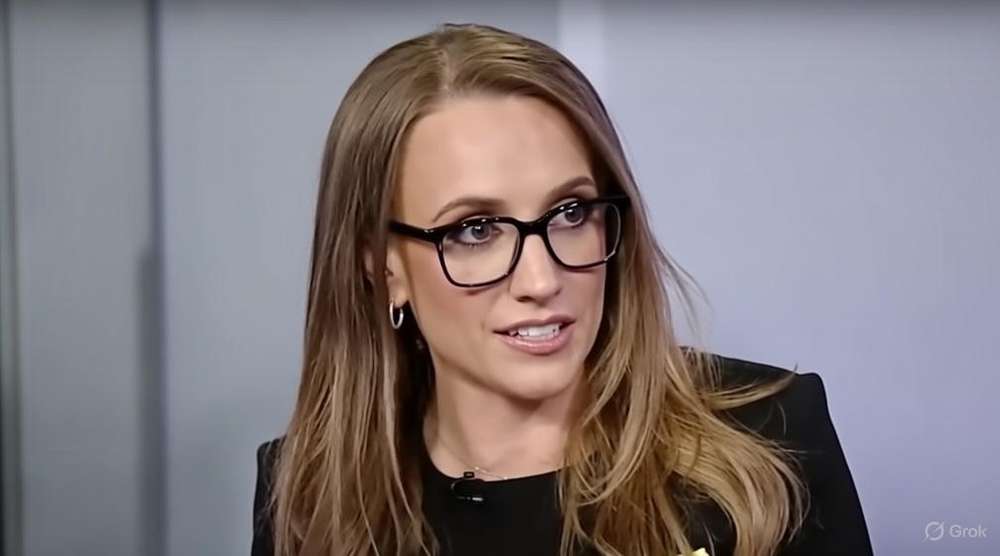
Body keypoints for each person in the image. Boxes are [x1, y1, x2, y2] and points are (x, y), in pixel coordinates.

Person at [251, 22, 873, 556]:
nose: (542, 280)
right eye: (475, 229)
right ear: (382, 268)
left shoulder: (770, 439)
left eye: (571, 213)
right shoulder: (309, 495)